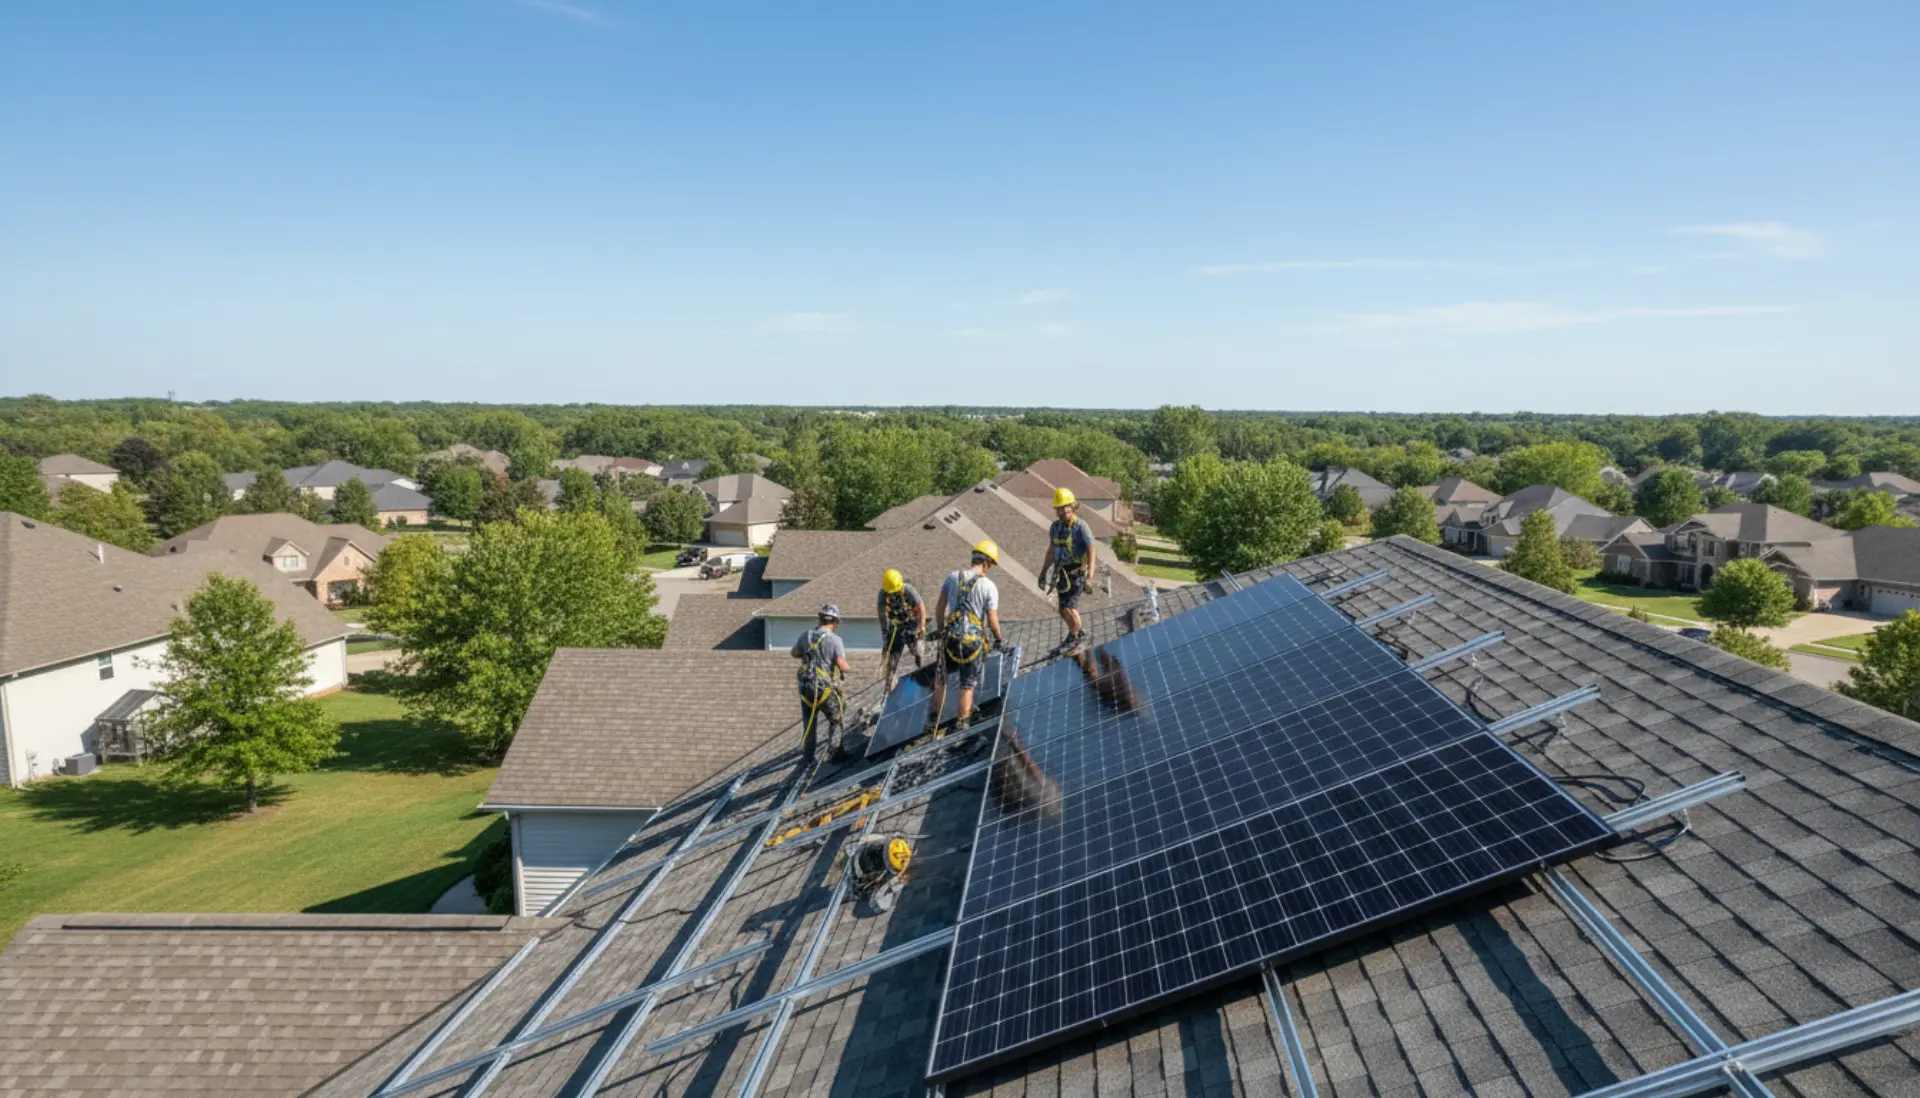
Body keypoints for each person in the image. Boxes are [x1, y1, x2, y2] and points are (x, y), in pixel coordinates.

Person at [927, 539, 1005, 734]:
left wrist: (941, 629)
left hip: (950, 639)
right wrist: (998, 639)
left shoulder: (952, 578)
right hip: (972, 643)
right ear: (986, 563)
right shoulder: (988, 586)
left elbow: (939, 609)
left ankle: (932, 720)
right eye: (990, 566)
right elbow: (992, 619)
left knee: (941, 678)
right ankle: (962, 723)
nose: (989, 570)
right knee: (967, 684)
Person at [790, 604, 852, 766]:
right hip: (823, 688)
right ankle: (836, 754)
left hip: (805, 688)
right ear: (836, 622)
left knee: (809, 724)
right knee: (836, 719)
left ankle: (808, 758)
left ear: (820, 618)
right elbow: (842, 664)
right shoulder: (835, 640)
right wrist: (848, 668)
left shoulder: (806, 636)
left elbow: (795, 653)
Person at [1040, 487, 1097, 652]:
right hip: (1062, 574)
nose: (1064, 510)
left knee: (1069, 608)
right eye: (1060, 508)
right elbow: (1051, 551)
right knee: (1063, 609)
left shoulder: (1081, 527)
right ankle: (1078, 633)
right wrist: (1043, 573)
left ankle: (1077, 637)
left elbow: (1091, 549)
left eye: (1067, 507)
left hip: (1076, 574)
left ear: (1073, 506)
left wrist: (1090, 577)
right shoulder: (1055, 528)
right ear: (1056, 510)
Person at [876, 568, 927, 693]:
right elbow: (882, 617)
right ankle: (889, 688)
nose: (893, 594)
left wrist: (922, 625)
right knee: (891, 661)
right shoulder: (882, 594)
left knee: (918, 653)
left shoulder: (908, 589)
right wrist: (885, 639)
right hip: (895, 628)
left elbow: (921, 607)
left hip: (912, 623)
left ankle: (926, 679)